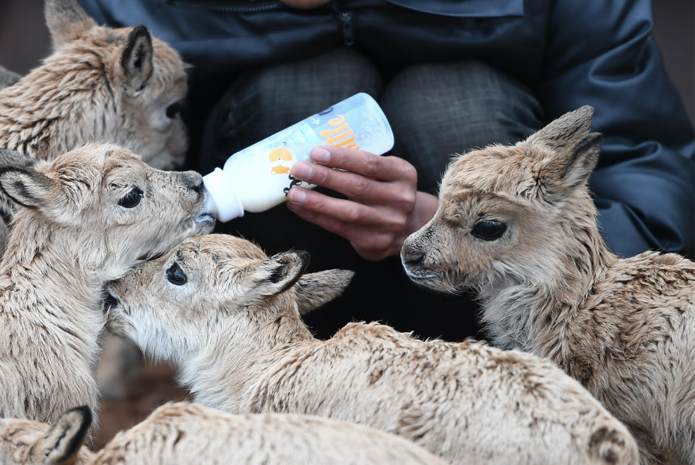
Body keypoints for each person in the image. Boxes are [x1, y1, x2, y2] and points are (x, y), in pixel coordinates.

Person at [79, 0, 695, 341]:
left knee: (452, 100)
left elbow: (645, 174)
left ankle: (486, 384)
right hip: (265, 299)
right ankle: (283, 382)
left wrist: (464, 233)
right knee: (307, 89)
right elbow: (82, 188)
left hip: (502, 306)